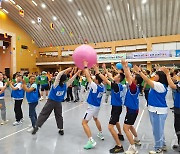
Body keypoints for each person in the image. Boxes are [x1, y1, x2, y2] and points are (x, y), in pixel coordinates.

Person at [32, 68, 81, 135]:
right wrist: (77, 72)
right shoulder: (65, 85)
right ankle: (61, 129)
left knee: (44, 114)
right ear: (65, 80)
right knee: (59, 116)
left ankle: (37, 126)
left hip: (51, 101)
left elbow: (59, 74)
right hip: (58, 103)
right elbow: (72, 79)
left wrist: (66, 70)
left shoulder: (56, 84)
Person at [133, 65, 169, 154]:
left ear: (160, 77)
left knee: (157, 131)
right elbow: (151, 77)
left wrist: (140, 71)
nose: (154, 76)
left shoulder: (160, 85)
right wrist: (158, 70)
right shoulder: (158, 84)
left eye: (156, 75)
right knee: (159, 130)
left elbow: (147, 80)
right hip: (154, 110)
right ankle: (163, 145)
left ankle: (158, 149)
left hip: (158, 111)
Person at [96, 64, 125, 153]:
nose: (114, 76)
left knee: (110, 127)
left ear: (119, 78)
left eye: (116, 75)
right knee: (116, 122)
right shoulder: (118, 84)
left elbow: (105, 79)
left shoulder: (116, 86)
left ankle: (119, 146)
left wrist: (97, 70)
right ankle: (120, 134)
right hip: (117, 107)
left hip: (116, 107)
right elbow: (109, 76)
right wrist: (104, 69)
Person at [82, 62, 105, 150]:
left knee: (84, 123)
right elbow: (93, 77)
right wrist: (98, 70)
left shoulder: (95, 86)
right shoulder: (102, 86)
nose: (94, 79)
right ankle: (100, 133)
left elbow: (88, 76)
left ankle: (91, 140)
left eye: (95, 78)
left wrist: (85, 66)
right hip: (97, 107)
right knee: (95, 119)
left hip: (92, 107)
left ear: (97, 81)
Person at [121, 60, 143, 154]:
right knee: (130, 126)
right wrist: (128, 68)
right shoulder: (136, 87)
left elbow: (127, 76)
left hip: (132, 111)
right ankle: (137, 140)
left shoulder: (133, 87)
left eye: (134, 77)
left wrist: (125, 66)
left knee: (125, 128)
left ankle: (133, 148)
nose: (132, 77)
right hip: (134, 110)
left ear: (136, 81)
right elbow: (129, 77)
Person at [161, 67, 180, 152]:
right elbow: (174, 81)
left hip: (179, 108)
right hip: (177, 107)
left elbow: (172, 85)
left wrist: (168, 74)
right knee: (177, 126)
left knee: (178, 126)